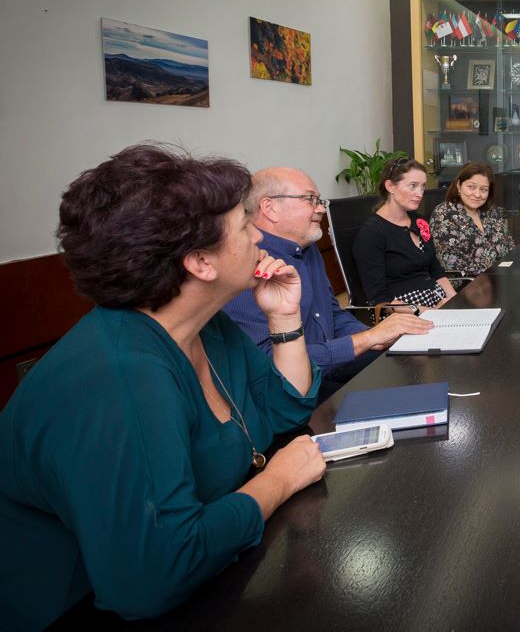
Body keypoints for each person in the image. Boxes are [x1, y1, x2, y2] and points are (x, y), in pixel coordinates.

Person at [0, 145, 327, 630]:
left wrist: (284, 317)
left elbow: (285, 410)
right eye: (244, 225)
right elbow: (152, 576)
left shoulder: (206, 327)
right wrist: (277, 481)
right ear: (200, 262)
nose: (259, 234)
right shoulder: (119, 377)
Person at [224, 167, 435, 400]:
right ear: (270, 207)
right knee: (401, 395)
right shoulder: (249, 262)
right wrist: (365, 340)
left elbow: (333, 313)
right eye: (310, 199)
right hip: (291, 389)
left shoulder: (307, 247)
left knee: (417, 362)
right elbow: (269, 366)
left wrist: (374, 336)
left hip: (331, 362)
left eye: (319, 200)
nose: (321, 209)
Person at [354, 157, 456, 308]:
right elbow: (379, 299)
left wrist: (456, 302)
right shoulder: (371, 233)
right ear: (390, 186)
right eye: (413, 186)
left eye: (422, 187)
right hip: (402, 311)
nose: (420, 193)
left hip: (437, 301)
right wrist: (427, 311)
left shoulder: (418, 221)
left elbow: (436, 271)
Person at [429, 161, 515, 275]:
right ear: (459, 186)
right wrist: (495, 273)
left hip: (500, 278)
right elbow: (450, 263)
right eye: (471, 187)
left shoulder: (491, 212)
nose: (477, 194)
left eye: (483, 189)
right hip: (467, 283)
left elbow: (510, 246)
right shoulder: (443, 214)